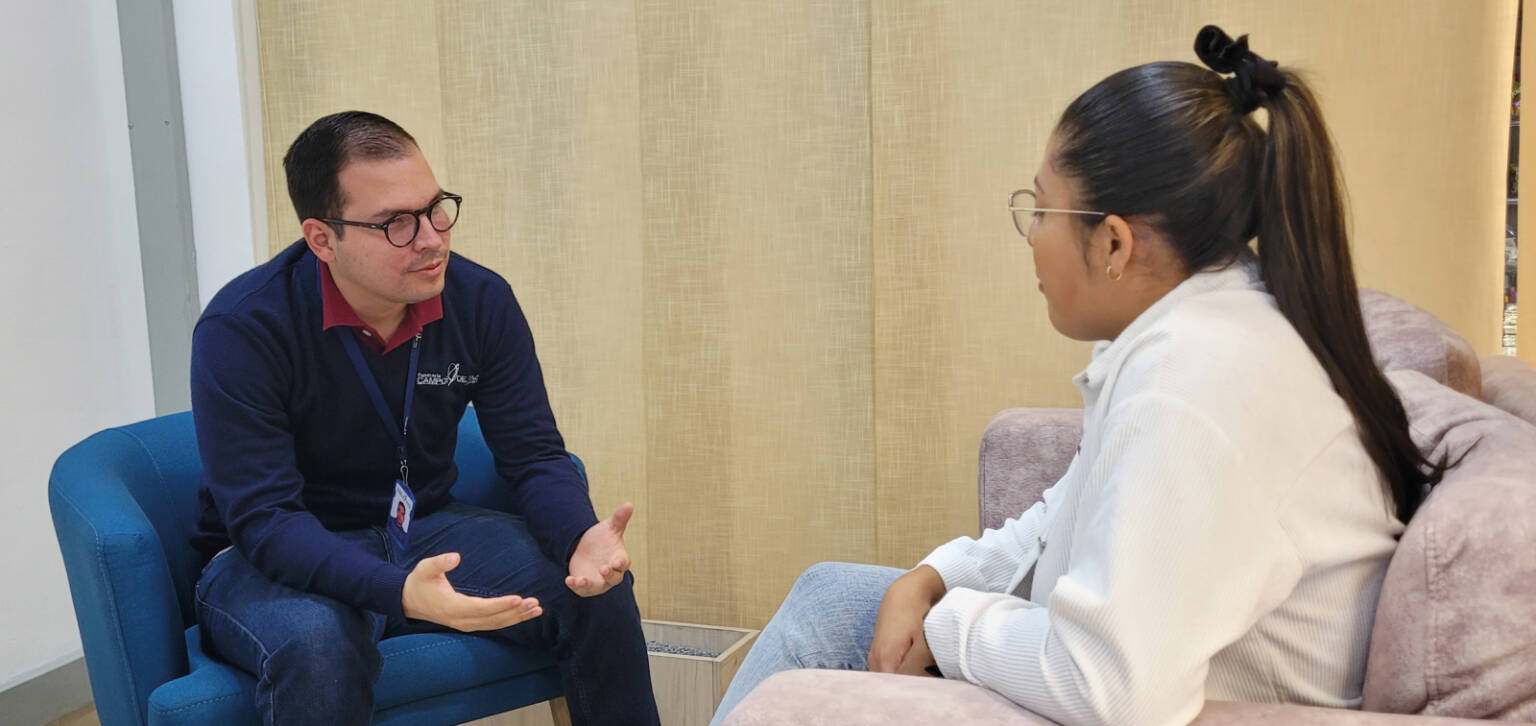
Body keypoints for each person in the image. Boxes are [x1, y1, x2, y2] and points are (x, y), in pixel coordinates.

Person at [711, 26, 1455, 726]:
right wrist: (936, 577)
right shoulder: (1207, 322)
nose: (1031, 236)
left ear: (1114, 243)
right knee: (831, 599)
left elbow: (1110, 686)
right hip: (1145, 659)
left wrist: (950, 624)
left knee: (818, 653)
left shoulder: (1195, 381)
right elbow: (1072, 509)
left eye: (1040, 209)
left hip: (1170, 699)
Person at [190, 111, 661, 725]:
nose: (433, 237)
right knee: (318, 646)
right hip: (273, 552)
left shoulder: (479, 299)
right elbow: (266, 519)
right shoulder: (244, 329)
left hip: (424, 528)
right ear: (322, 239)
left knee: (597, 595)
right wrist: (396, 590)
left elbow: (534, 454)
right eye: (396, 224)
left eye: (436, 208)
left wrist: (579, 538)